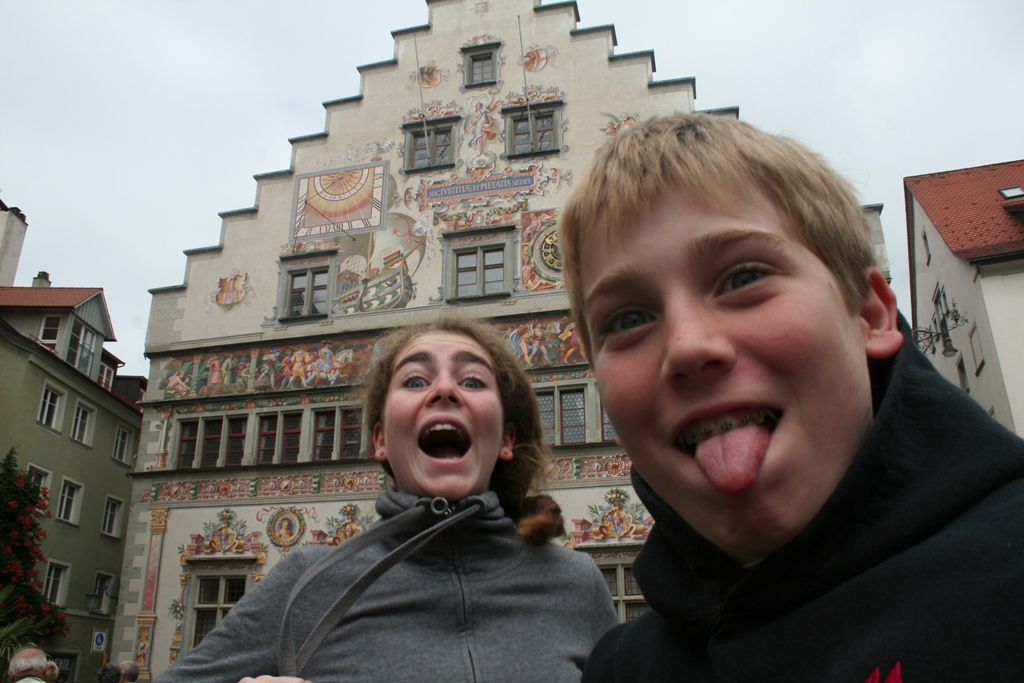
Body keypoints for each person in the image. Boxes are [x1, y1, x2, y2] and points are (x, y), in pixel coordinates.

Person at [559, 112, 1024, 681]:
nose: (687, 346)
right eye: (628, 319)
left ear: (869, 314)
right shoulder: (621, 670)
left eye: (743, 278)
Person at [155, 316, 617, 683]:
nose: (444, 389)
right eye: (415, 380)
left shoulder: (576, 583)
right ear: (379, 440)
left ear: (506, 439)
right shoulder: (311, 581)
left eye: (474, 381)